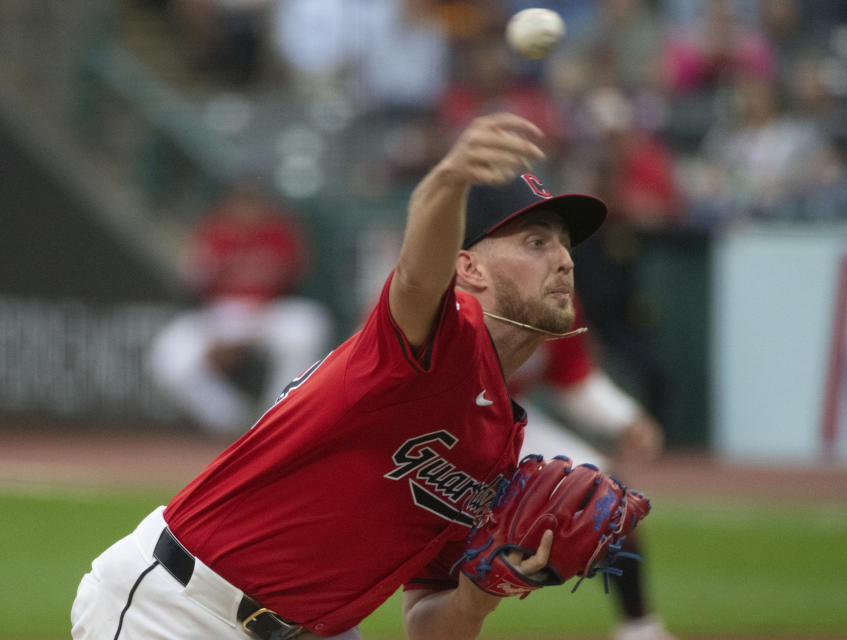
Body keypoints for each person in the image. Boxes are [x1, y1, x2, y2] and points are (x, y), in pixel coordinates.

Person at [71, 112, 612, 640]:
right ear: (467, 268)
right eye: (536, 242)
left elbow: (427, 622)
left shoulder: (498, 445)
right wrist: (448, 179)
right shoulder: (443, 337)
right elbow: (419, 277)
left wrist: (481, 592)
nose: (564, 260)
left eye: (564, 244)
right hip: (180, 611)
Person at [510, 307, 673, 640]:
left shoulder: (556, 298)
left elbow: (573, 377)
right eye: (541, 249)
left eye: (565, 252)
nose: (563, 260)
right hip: (440, 422)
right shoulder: (465, 296)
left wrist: (625, 418)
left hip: (507, 415)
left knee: (610, 495)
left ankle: (639, 628)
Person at [147, 179, 334, 436]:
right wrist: (212, 331)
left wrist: (261, 319)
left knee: (307, 326)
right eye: (241, 202)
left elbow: (297, 282)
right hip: (220, 316)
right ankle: (232, 421)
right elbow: (190, 289)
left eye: (253, 202)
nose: (247, 209)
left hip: (268, 313)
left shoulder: (279, 233)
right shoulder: (211, 234)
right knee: (170, 357)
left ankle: (279, 415)